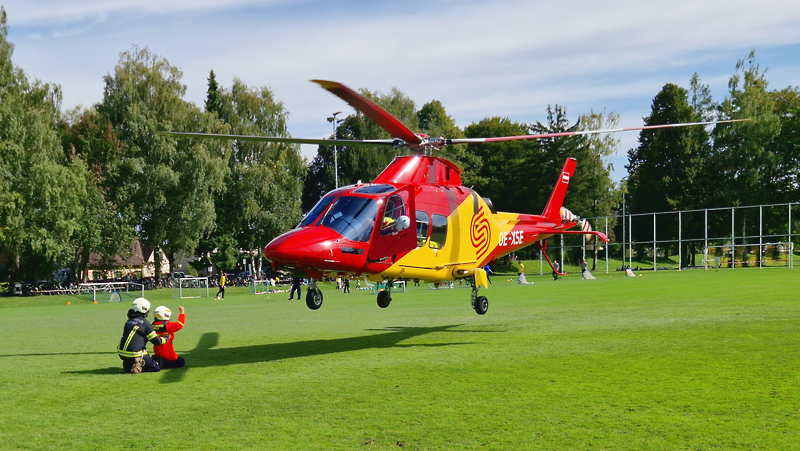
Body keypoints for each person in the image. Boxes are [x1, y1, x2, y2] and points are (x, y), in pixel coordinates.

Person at [117, 297, 168, 374]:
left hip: (121, 353)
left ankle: (129, 365)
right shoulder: (145, 323)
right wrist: (165, 338)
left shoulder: (129, 321)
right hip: (134, 354)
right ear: (143, 309)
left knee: (141, 352)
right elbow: (156, 341)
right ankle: (138, 364)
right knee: (156, 367)